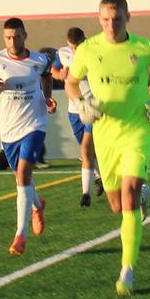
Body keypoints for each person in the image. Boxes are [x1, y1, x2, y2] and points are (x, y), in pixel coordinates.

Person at [65, 0, 150, 296]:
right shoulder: (87, 49)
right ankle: (144, 195)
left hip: (137, 129)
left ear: (128, 18)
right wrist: (81, 102)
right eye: (106, 20)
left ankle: (128, 270)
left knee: (129, 197)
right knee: (116, 205)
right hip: (105, 133)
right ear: (99, 19)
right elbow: (71, 83)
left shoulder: (144, 46)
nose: (112, 25)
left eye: (118, 19)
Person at [0, 17, 58, 254]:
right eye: (8, 37)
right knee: (21, 179)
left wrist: (46, 97)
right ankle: (38, 204)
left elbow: (47, 75)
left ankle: (19, 237)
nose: (12, 41)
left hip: (34, 124)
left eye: (17, 36)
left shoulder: (40, 59)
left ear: (25, 35)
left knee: (23, 175)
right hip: (9, 130)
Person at [52, 25, 101, 204]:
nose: (74, 50)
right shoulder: (62, 53)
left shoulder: (93, 50)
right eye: (72, 46)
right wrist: (60, 74)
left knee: (86, 148)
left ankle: (85, 193)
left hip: (91, 105)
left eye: (77, 46)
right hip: (74, 109)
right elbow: (54, 71)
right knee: (86, 149)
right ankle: (99, 177)